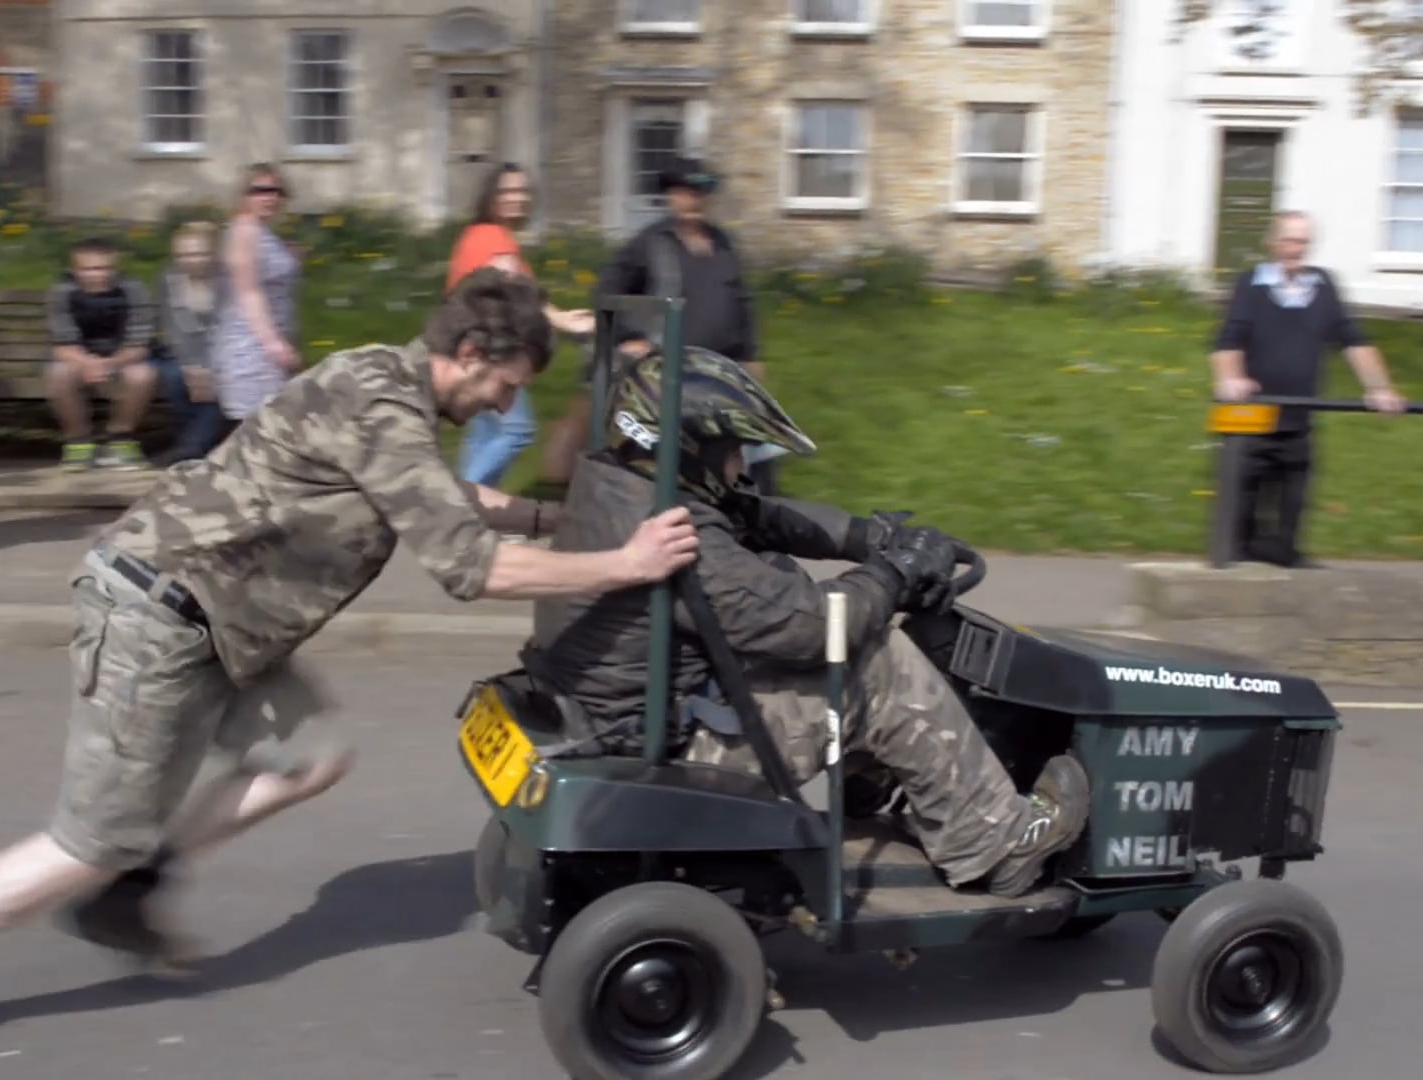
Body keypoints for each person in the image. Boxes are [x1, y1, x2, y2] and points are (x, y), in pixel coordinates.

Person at [0, 268, 701, 1080]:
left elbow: (439, 498)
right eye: (506, 384)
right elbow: (472, 568)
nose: (506, 401)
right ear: (471, 354)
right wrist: (623, 564)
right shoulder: (384, 406)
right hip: (157, 612)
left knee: (311, 757)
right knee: (89, 838)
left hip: (226, 623)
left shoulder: (387, 386)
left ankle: (132, 888)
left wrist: (560, 517)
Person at [529, 345, 1091, 902]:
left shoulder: (618, 482)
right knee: (876, 661)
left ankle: (874, 784)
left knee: (798, 609)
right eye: (734, 451)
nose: (742, 466)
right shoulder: (676, 536)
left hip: (611, 712)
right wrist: (894, 576)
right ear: (690, 450)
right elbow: (815, 625)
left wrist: (871, 538)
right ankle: (996, 841)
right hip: (673, 746)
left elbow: (757, 515)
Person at [544, 156, 781, 494]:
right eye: (685, 192)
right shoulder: (650, 243)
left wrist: (751, 354)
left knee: (749, 442)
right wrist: (631, 336)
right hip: (670, 369)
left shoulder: (723, 243)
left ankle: (752, 512)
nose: (692, 200)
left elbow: (741, 301)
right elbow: (607, 292)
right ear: (671, 195)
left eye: (699, 193)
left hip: (722, 367)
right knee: (671, 451)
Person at [1210, 210, 1404, 568]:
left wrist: (1379, 387)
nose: (1294, 249)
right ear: (1272, 243)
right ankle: (1235, 565)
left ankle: (1285, 563)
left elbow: (1353, 339)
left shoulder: (1323, 286)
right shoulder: (1251, 284)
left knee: (1291, 513)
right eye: (1288, 240)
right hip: (1252, 416)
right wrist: (1231, 378)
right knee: (1239, 516)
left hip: (1298, 417)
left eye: (1302, 241)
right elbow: (1228, 341)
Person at [444, 162, 594, 488]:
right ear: (490, 196)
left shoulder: (485, 236)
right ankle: (461, 504)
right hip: (490, 350)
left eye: (523, 191)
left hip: (472, 346)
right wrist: (563, 322)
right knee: (516, 431)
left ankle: (466, 508)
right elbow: (516, 289)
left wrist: (561, 316)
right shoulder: (490, 236)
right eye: (508, 190)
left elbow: (522, 291)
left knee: (485, 432)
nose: (518, 197)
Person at [44, 236, 158, 471]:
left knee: (143, 376)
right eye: (89, 269)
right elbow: (62, 343)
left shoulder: (132, 289)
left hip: (121, 355)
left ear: (115, 267)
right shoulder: (62, 292)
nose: (98, 274)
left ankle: (120, 437)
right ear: (75, 269)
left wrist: (111, 363)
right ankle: (79, 441)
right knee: (57, 374)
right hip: (79, 356)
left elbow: (139, 340)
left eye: (105, 268)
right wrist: (87, 363)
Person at [212, 163, 301, 428]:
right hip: (250, 343)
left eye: (276, 191)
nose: (269, 197)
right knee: (254, 424)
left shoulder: (262, 232)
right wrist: (273, 344)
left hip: (269, 337)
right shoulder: (244, 231)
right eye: (259, 190)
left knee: (268, 424)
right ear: (244, 195)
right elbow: (248, 292)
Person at [151, 220, 226, 466]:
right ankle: (198, 444)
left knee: (222, 381)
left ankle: (190, 448)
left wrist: (207, 367)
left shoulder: (227, 281)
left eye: (198, 253)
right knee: (174, 378)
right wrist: (192, 367)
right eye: (183, 254)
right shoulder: (169, 279)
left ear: (213, 253)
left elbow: (226, 329)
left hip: (221, 354)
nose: (191, 260)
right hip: (180, 355)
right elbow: (172, 328)